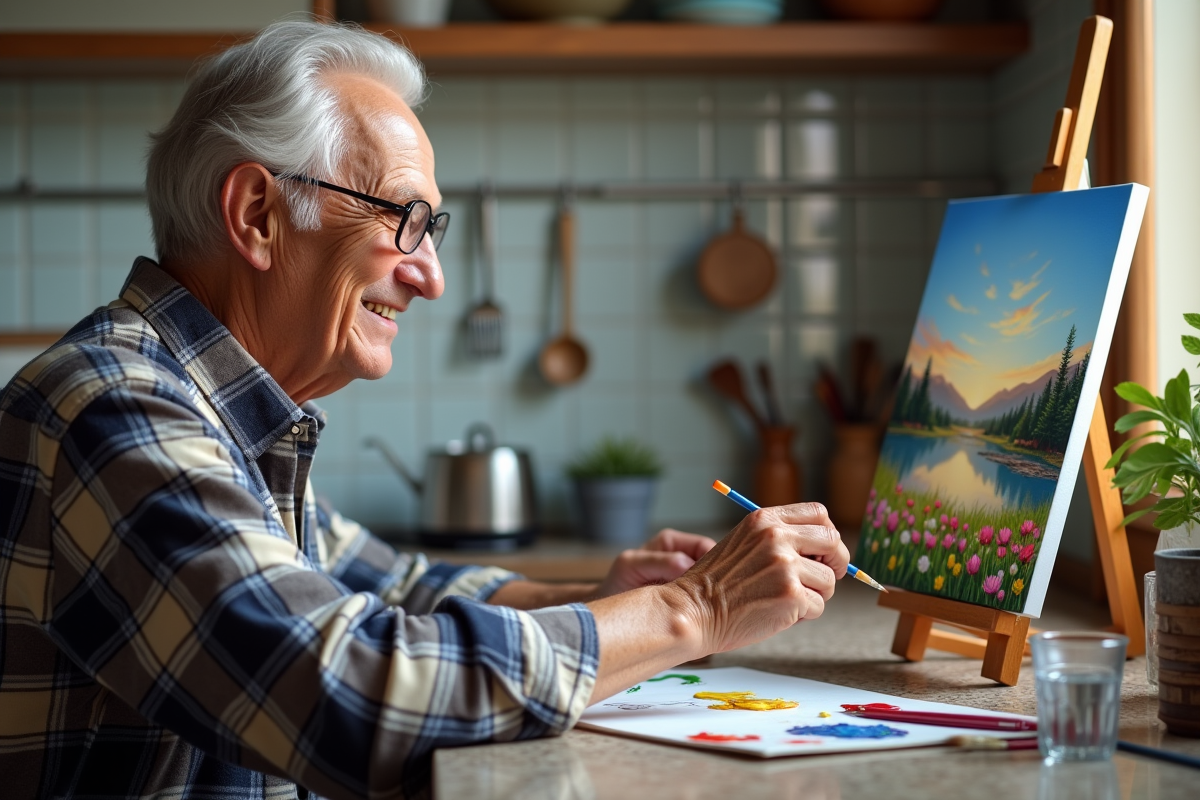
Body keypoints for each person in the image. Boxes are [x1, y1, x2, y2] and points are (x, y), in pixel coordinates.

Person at [0, 20, 848, 800]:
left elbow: (392, 585)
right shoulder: (117, 410)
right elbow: (352, 696)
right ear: (258, 215)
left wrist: (599, 595)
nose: (431, 274)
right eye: (406, 219)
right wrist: (692, 609)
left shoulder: (212, 414)